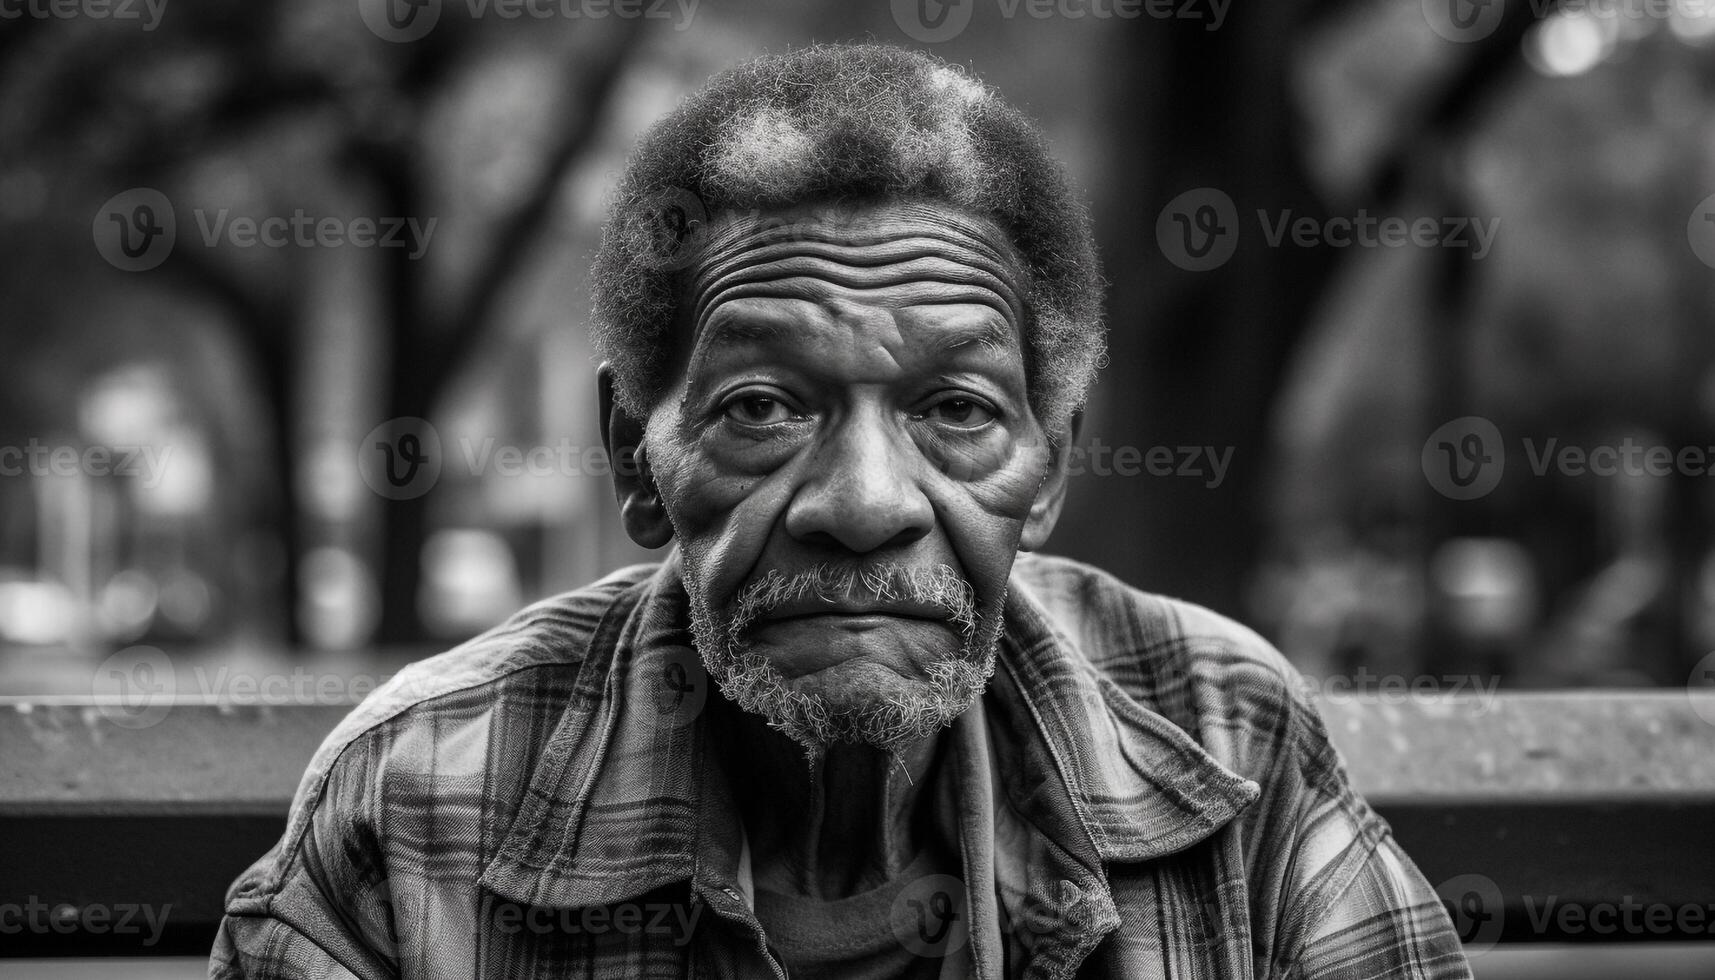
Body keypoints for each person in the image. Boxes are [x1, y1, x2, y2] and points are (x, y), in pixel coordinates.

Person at [211, 43, 1470, 979]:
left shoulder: (1222, 728)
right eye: (762, 406)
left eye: (957, 411)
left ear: (1052, 468)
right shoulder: (425, 791)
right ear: (635, 462)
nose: (864, 506)